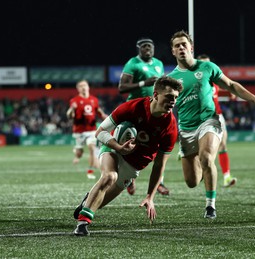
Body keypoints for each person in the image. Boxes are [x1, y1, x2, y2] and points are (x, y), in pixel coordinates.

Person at [167, 30, 255, 219]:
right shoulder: (172, 79)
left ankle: (210, 206)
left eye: (184, 44)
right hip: (186, 129)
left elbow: (230, 85)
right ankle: (200, 162)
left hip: (209, 121)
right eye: (177, 45)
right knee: (191, 181)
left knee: (207, 158)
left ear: (191, 47)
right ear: (173, 51)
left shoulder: (207, 67)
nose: (181, 47)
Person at [73, 76, 183, 236]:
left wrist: (150, 197)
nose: (173, 101)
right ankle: (82, 224)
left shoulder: (171, 127)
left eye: (175, 98)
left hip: (134, 165)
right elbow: (100, 132)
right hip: (114, 148)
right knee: (109, 177)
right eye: (169, 97)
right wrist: (119, 147)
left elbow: (159, 165)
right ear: (156, 94)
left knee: (98, 202)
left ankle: (87, 201)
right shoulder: (133, 107)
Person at [118, 37, 169, 196]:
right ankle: (129, 178)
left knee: (158, 147)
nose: (148, 49)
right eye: (144, 46)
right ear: (139, 49)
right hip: (135, 110)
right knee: (132, 144)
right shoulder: (133, 63)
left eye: (150, 46)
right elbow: (122, 87)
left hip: (154, 110)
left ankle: (159, 182)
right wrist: (143, 83)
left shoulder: (159, 64)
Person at [197, 53, 237, 187]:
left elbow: (219, 92)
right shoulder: (196, 81)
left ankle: (226, 176)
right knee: (203, 149)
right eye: (203, 64)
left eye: (208, 64)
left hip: (218, 115)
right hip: (202, 117)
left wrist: (230, 93)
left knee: (223, 145)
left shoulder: (215, 81)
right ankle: (201, 171)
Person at [66, 79, 108, 179]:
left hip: (92, 130)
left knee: (92, 148)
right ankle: (76, 152)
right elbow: (69, 116)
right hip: (79, 131)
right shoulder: (74, 101)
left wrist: (104, 116)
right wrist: (72, 109)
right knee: (79, 154)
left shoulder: (94, 100)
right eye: (80, 86)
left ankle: (90, 171)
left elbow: (99, 111)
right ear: (78, 89)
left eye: (85, 85)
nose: (83, 87)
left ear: (88, 87)